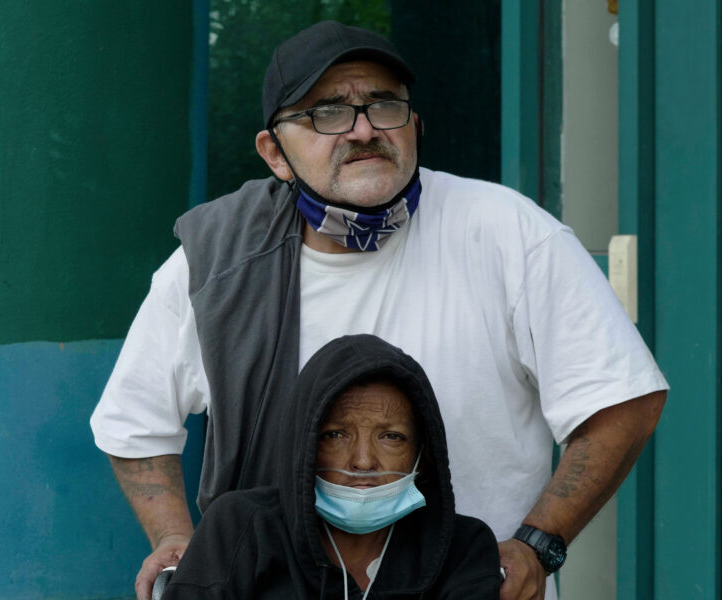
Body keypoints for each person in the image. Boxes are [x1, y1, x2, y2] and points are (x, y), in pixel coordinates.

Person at [90, 20, 668, 600]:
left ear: (414, 125)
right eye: (328, 112)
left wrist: (539, 543)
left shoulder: (506, 233)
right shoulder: (215, 264)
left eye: (383, 105)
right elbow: (133, 424)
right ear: (275, 152)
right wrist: (174, 536)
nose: (363, 130)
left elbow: (622, 398)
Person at [160, 334, 502, 599]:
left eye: (391, 437)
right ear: (303, 446)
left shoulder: (464, 548)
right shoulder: (241, 528)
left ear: (422, 455)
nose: (363, 461)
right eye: (335, 435)